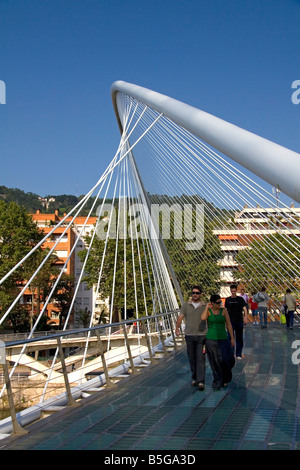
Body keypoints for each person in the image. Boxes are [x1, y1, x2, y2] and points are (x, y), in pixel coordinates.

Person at [175, 286, 207, 391]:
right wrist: (177, 328)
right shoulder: (186, 305)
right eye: (193, 293)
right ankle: (194, 378)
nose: (195, 294)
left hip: (201, 336)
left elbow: (209, 319)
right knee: (192, 358)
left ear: (200, 294)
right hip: (189, 336)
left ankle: (201, 380)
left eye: (197, 293)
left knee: (200, 358)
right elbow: (180, 317)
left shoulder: (204, 306)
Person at [201, 294, 235, 390]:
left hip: (223, 339)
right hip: (211, 339)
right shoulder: (208, 311)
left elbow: (229, 325)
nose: (219, 304)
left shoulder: (224, 311)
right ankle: (217, 382)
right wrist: (207, 307)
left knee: (224, 360)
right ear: (212, 303)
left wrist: (232, 338)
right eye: (217, 302)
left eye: (220, 302)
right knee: (214, 362)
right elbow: (203, 318)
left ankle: (225, 378)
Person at [225, 284, 248, 359]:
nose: (233, 292)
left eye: (234, 291)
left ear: (236, 291)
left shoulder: (240, 299)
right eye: (232, 291)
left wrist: (245, 317)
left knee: (239, 337)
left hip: (239, 321)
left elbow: (245, 308)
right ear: (230, 291)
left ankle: (238, 354)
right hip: (230, 321)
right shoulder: (228, 300)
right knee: (230, 337)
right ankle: (231, 353)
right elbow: (225, 311)